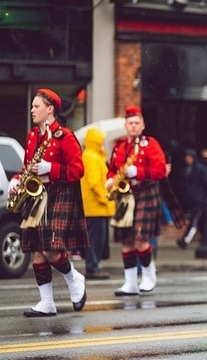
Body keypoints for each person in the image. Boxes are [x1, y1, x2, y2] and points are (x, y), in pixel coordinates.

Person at [8, 88, 88, 317]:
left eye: (37, 106)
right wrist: (17, 180)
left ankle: (74, 278)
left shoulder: (65, 136)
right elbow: (27, 168)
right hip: (36, 195)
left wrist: (50, 169)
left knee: (51, 249)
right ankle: (46, 302)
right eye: (33, 106)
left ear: (50, 109)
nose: (32, 110)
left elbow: (78, 170)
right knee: (37, 251)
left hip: (58, 194)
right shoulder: (33, 135)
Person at [106, 106, 166, 296]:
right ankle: (130, 283)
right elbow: (112, 168)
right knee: (127, 241)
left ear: (143, 125)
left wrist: (138, 172)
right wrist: (109, 178)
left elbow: (161, 170)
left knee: (141, 239)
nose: (133, 126)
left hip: (146, 192)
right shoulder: (119, 145)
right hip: (125, 195)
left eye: (136, 123)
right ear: (125, 125)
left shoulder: (150, 144)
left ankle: (149, 275)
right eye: (130, 123)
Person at [80, 126, 116, 279]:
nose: (103, 142)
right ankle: (92, 267)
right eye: (101, 140)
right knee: (95, 240)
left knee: (97, 239)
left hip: (96, 207)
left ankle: (94, 265)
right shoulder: (91, 157)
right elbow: (94, 183)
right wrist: (105, 197)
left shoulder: (94, 155)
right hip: (94, 206)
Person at [176, 148, 207, 249]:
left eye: (188, 157)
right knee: (199, 221)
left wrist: (206, 197)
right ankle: (205, 238)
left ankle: (186, 239)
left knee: (195, 220)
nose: (187, 159)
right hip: (191, 199)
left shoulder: (200, 169)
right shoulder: (186, 169)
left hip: (199, 199)